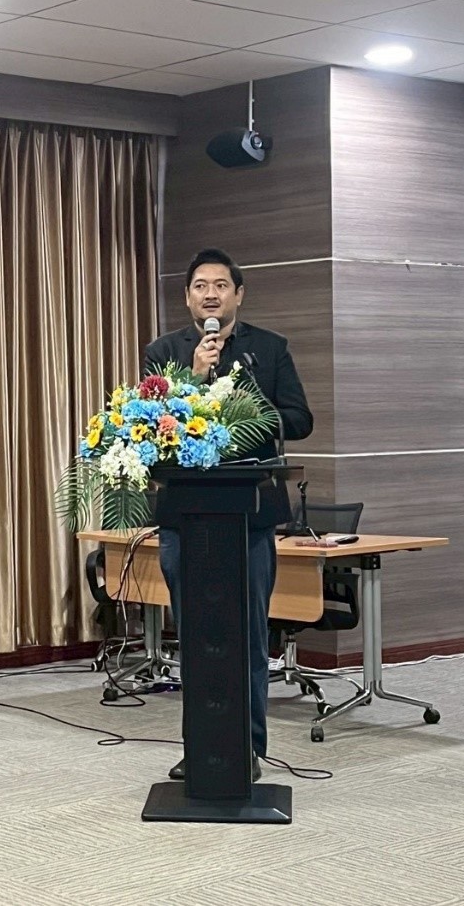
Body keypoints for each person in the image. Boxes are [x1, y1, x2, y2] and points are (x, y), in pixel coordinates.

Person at [143, 247, 314, 781]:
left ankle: (250, 749)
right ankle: (200, 747)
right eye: (201, 286)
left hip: (250, 514)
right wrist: (195, 379)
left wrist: (242, 407)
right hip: (184, 517)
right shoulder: (163, 351)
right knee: (196, 636)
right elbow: (149, 425)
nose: (211, 294)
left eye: (221, 285)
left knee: (249, 635)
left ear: (239, 294)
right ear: (187, 297)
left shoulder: (269, 349)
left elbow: (300, 419)